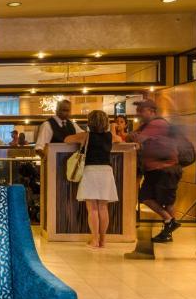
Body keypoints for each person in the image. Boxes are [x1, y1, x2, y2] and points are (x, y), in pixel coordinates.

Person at [65, 110, 119, 249]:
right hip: (106, 172)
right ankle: (103, 240)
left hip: (91, 171)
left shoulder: (86, 136)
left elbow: (67, 139)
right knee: (103, 207)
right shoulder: (110, 136)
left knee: (92, 209)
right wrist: (113, 128)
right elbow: (119, 139)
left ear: (90, 122)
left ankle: (94, 240)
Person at [130, 99, 181, 243]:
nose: (138, 113)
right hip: (155, 169)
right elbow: (132, 137)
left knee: (166, 201)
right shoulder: (146, 125)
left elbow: (136, 137)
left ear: (151, 111)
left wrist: (136, 137)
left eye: (141, 110)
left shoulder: (158, 124)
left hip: (166, 168)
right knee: (145, 197)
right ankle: (169, 222)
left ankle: (168, 227)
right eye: (138, 110)